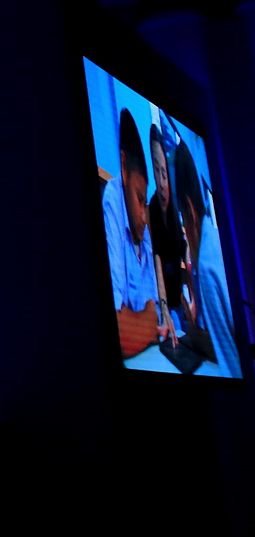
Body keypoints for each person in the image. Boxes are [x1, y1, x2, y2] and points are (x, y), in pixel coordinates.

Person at [161, 141, 239, 377]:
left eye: (183, 218)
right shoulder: (216, 241)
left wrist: (193, 333)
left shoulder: (205, 262)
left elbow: (228, 358)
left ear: (190, 210)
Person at [103, 108, 164, 359]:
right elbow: (122, 334)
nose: (143, 216)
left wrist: (146, 321)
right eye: (139, 199)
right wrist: (148, 322)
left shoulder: (142, 226)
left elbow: (156, 315)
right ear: (124, 167)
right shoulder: (113, 197)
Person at [145, 122, 181, 330]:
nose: (160, 182)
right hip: (165, 303)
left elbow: (185, 252)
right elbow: (156, 256)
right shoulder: (152, 207)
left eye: (164, 173)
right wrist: (164, 307)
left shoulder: (175, 209)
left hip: (181, 299)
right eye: (156, 171)